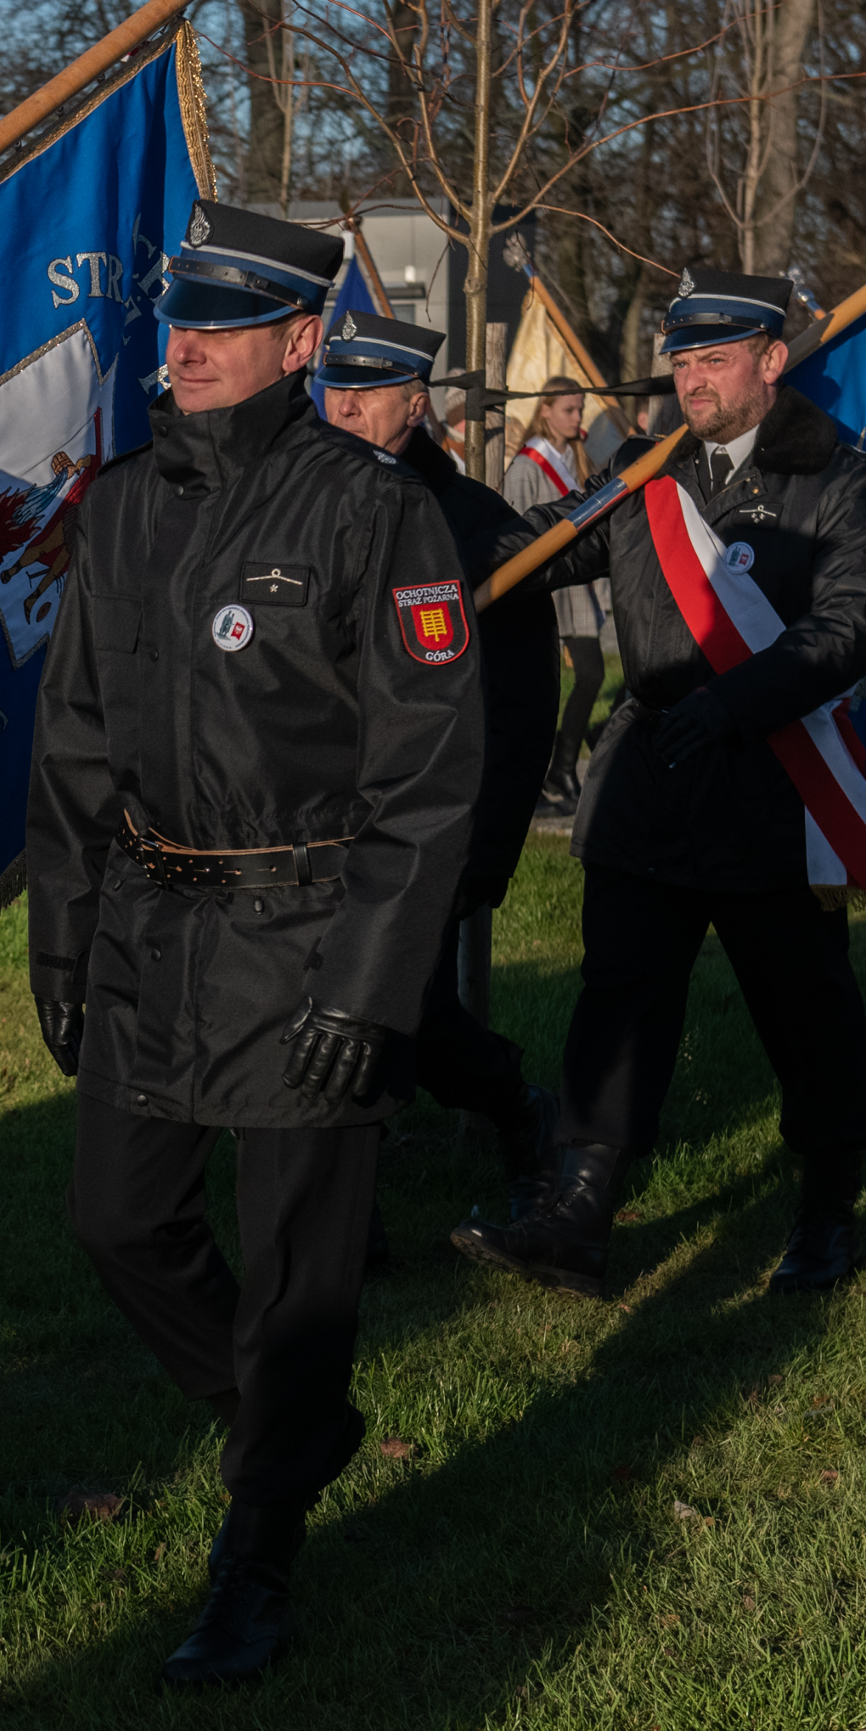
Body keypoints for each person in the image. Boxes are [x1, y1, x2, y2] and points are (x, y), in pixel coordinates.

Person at [27, 203, 483, 1688]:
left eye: (229, 327)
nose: (194, 347)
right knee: (118, 1219)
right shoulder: (123, 503)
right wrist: (61, 931)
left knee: (301, 1280)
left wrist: (371, 980)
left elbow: (428, 779)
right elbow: (78, 739)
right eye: (183, 322)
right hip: (153, 928)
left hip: (307, 932)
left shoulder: (373, 507)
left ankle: (258, 1553)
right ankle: (284, 1426)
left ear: (302, 342)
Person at [452, 270, 866, 1299]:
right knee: (618, 1001)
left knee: (805, 1013)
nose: (690, 378)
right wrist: (424, 530)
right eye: (681, 359)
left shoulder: (839, 476)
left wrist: (739, 701)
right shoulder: (650, 470)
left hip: (770, 785)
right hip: (650, 785)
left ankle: (827, 1206)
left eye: (713, 358)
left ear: (772, 359)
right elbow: (541, 546)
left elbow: (860, 616)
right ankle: (576, 1210)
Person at [316, 310, 560, 1184]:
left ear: (415, 403)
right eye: (335, 387)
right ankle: (347, 1196)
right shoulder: (292, 501)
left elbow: (521, 701)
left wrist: (488, 844)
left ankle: (513, 1102)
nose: (343, 408)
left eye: (368, 392)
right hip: (307, 818)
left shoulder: (470, 523)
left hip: (424, 823)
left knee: (403, 1007)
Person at [506, 378, 610, 817]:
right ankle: (550, 772)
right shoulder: (527, 466)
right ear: (545, 409)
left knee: (591, 675)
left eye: (580, 409)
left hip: (576, 587)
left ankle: (563, 768)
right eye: (568, 409)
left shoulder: (579, 458)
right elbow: (514, 529)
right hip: (546, 590)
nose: (577, 417)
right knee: (545, 687)